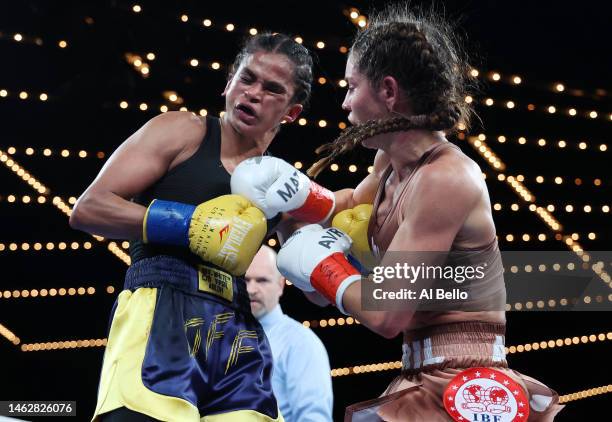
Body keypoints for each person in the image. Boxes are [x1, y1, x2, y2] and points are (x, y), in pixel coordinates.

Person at [230, 4, 564, 421]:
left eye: (353, 87)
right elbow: (347, 208)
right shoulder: (390, 164)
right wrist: (295, 202)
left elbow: (389, 313)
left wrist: (323, 268)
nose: (346, 104)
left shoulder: (445, 179)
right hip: (421, 373)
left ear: (388, 92)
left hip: (467, 383)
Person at [69, 32, 320, 421]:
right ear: (228, 83)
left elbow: (310, 283)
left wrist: (334, 256)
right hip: (161, 307)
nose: (252, 93)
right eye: (247, 78)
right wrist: (187, 225)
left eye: (272, 89)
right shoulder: (183, 131)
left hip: (235, 329)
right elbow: (88, 208)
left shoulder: (282, 185)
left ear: (291, 112)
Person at [245, 246, 333, 422]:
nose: (251, 289)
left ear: (280, 285)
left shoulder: (300, 342)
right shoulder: (222, 336)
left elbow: (314, 418)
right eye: (245, 280)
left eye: (261, 280)